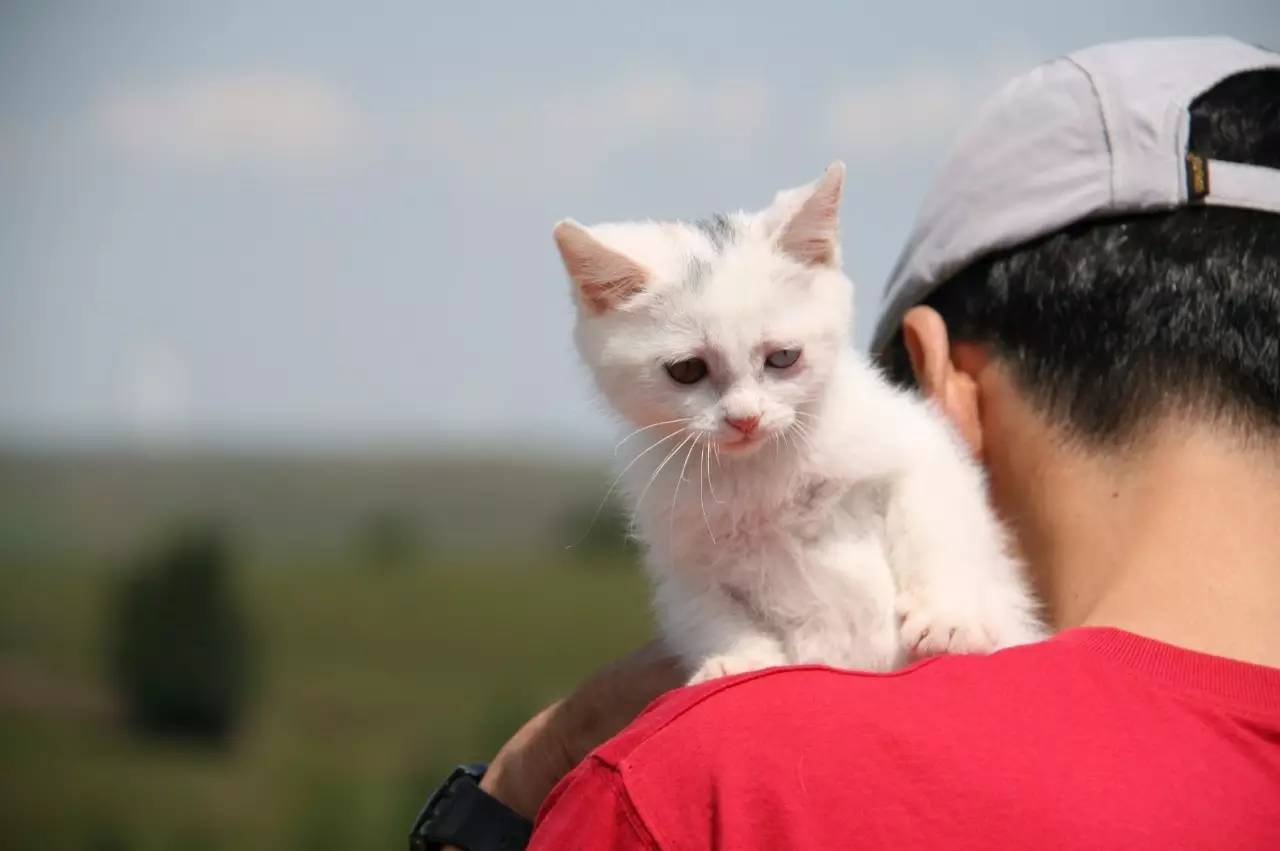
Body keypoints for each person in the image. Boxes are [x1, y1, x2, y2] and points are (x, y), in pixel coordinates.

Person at [410, 36, 1280, 850]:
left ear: (937, 376)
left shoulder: (696, 788)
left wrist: (528, 776)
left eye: (784, 362)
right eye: (691, 374)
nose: (746, 413)